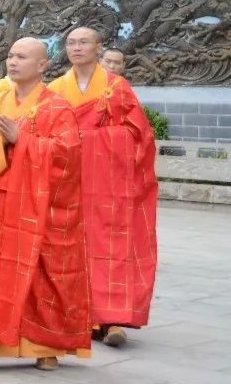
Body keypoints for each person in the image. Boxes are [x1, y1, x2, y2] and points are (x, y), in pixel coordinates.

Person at [0, 39, 90, 372]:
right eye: (10, 55)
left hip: (38, 206)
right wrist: (0, 141)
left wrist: (24, 142)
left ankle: (44, 345)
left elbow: (68, 156)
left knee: (38, 274)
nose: (12, 61)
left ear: (43, 66)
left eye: (21, 56)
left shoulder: (57, 108)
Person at [49, 27, 158, 349]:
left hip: (109, 186)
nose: (77, 47)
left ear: (98, 47)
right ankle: (79, 317)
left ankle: (114, 319)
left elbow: (138, 134)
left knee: (113, 247)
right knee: (70, 247)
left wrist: (90, 139)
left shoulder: (116, 88)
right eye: (71, 42)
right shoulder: (56, 89)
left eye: (84, 42)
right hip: (69, 182)